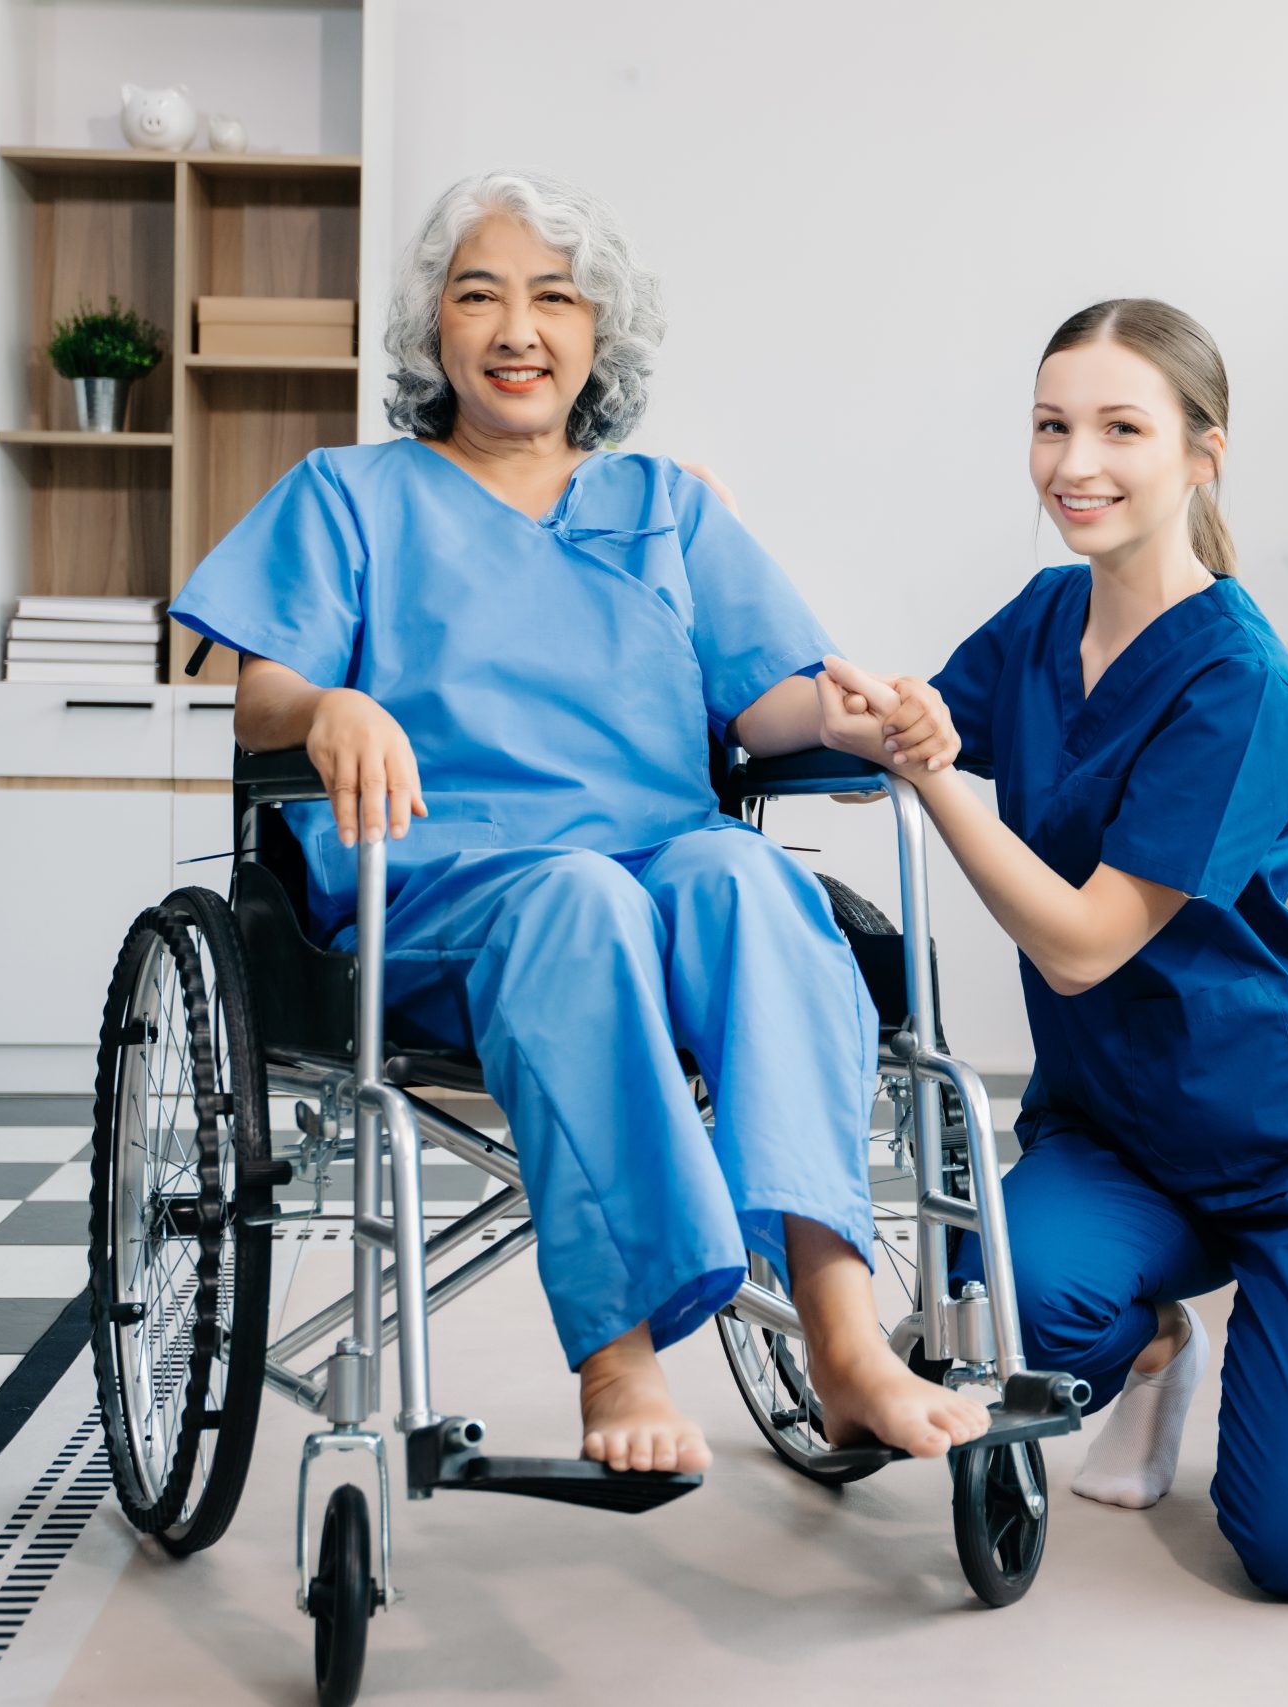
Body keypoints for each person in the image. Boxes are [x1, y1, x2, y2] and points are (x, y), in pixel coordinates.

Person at [168, 170, 987, 1476]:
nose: (516, 328)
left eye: (554, 298)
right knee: (581, 899)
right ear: (433, 330)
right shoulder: (350, 495)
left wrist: (857, 720)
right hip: (445, 887)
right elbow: (259, 696)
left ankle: (844, 1343)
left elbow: (767, 699)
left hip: (661, 864)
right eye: (477, 293)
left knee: (749, 880)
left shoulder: (669, 504)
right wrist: (328, 706)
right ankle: (619, 1358)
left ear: (600, 336)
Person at [814, 299, 1288, 1602]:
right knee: (999, 1323)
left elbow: (1089, 946)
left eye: (1120, 428)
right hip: (1122, 1129)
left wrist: (939, 783)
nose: (1074, 463)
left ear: (1202, 453)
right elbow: (907, 719)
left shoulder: (1235, 679)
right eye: (1051, 426)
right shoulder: (1046, 619)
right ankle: (1154, 1344)